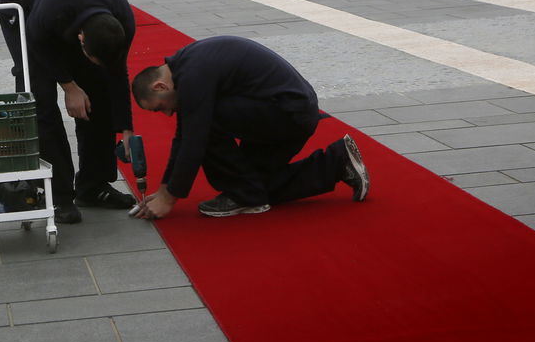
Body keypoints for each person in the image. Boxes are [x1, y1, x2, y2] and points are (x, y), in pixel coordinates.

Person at [130, 36, 369, 219]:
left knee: (205, 123)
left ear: (160, 86)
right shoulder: (186, 68)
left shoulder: (193, 74)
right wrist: (163, 189)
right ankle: (338, 162)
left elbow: (193, 140)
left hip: (287, 115)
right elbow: (182, 138)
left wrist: (169, 199)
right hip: (288, 114)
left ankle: (244, 196)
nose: (168, 113)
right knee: (252, 184)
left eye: (160, 107)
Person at [0, 0, 137, 224]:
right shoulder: (50, 13)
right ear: (81, 40)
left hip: (73, 5)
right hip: (23, 6)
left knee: (99, 93)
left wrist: (126, 128)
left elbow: (117, 74)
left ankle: (93, 186)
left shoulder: (123, 22)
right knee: (40, 100)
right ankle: (58, 194)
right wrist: (70, 86)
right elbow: (38, 44)